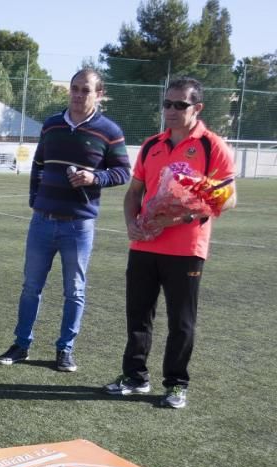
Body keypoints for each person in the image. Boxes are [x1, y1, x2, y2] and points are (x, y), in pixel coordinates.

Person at [104, 77, 237, 409]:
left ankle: (177, 384)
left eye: (180, 105)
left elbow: (229, 198)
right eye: (168, 104)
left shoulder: (211, 145)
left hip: (186, 249)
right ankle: (135, 377)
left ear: (197, 108)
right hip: (144, 246)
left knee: (181, 321)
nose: (172, 110)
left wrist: (181, 217)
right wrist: (132, 223)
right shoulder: (152, 145)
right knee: (138, 315)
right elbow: (134, 193)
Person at [0, 68, 130, 372]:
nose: (79, 95)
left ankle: (65, 349)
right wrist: (35, 201)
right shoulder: (52, 125)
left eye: (86, 90)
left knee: (75, 290)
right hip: (42, 221)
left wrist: (94, 176)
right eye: (75, 88)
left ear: (99, 94)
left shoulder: (109, 130)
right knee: (31, 286)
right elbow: (39, 165)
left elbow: (123, 172)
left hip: (78, 225)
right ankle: (21, 344)